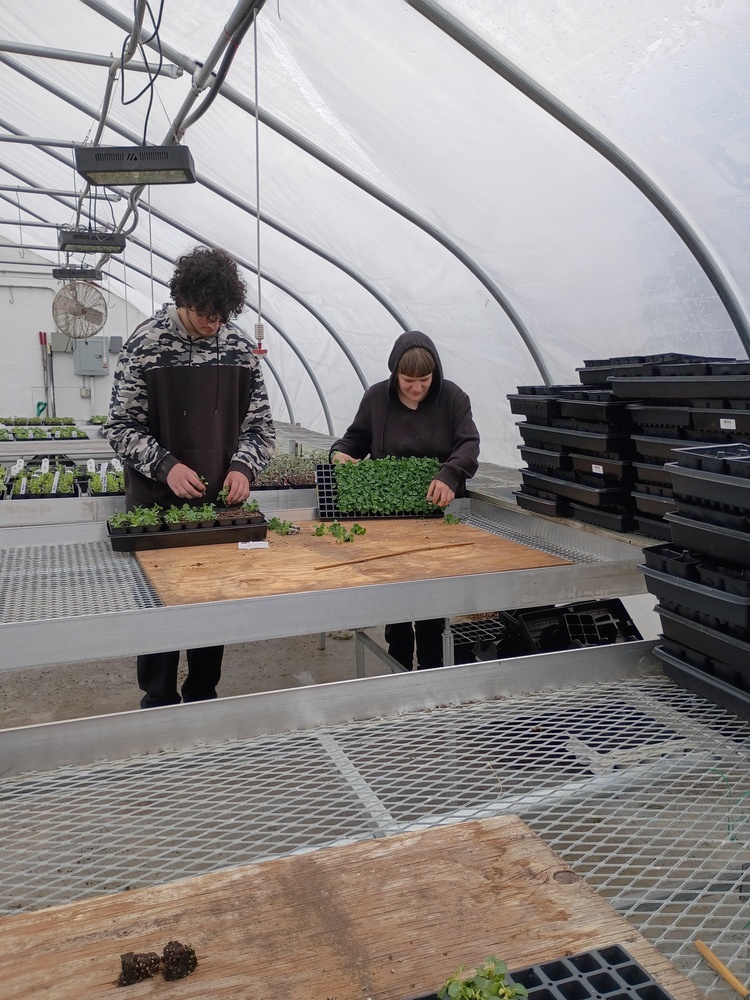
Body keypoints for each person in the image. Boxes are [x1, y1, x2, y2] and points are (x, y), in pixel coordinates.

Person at [104, 245, 276, 708]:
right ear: (184, 299)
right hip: (156, 511)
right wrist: (167, 466)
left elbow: (261, 428)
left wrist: (243, 467)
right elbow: (120, 427)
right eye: (204, 314)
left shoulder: (240, 349)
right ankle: (157, 702)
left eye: (221, 315)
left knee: (211, 605)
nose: (213, 324)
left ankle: (202, 697)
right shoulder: (146, 344)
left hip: (217, 511)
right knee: (157, 608)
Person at [330, 330, 479, 670]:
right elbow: (356, 439)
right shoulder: (376, 399)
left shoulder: (453, 398)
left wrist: (450, 474)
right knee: (394, 585)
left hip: (437, 513)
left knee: (432, 592)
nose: (417, 388)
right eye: (409, 380)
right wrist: (340, 453)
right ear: (395, 372)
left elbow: (469, 444)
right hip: (389, 516)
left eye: (424, 380)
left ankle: (431, 664)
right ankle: (397, 662)